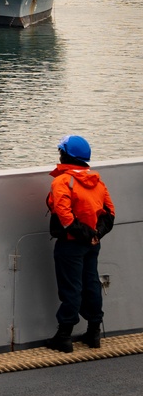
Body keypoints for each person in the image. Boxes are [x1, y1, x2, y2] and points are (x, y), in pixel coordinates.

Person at [45, 135, 115, 353]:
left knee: (71, 288)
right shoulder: (97, 181)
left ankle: (64, 336)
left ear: (65, 154)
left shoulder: (62, 181)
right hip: (92, 244)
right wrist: (95, 235)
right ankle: (94, 332)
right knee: (91, 283)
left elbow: (65, 216)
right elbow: (109, 213)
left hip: (70, 245)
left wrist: (84, 235)